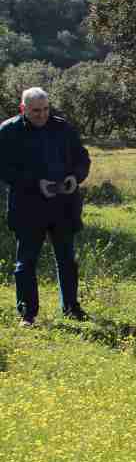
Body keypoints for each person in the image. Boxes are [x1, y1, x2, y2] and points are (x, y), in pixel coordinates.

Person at [0, 87, 91, 325]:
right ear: (23, 109)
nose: (42, 115)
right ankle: (27, 314)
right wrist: (34, 183)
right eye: (35, 111)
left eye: (45, 109)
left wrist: (75, 177)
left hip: (63, 205)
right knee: (26, 262)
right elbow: (4, 169)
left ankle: (71, 307)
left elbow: (82, 158)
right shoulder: (8, 132)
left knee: (67, 260)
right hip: (28, 207)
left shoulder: (63, 127)